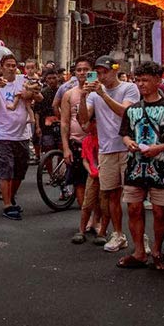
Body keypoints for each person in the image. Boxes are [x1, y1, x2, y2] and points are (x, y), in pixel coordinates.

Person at [116, 61, 164, 270]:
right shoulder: (133, 109)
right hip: (135, 166)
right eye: (138, 80)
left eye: (145, 80)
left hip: (163, 167)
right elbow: (125, 134)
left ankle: (157, 250)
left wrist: (160, 148)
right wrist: (129, 142)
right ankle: (139, 251)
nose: (141, 84)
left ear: (158, 80)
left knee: (159, 211)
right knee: (134, 208)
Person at [77, 55, 140, 251]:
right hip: (106, 149)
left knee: (132, 197)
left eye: (105, 72)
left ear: (115, 70)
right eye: (99, 73)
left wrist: (103, 95)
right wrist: (82, 96)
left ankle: (140, 237)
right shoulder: (94, 94)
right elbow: (84, 121)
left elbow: (126, 113)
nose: (102, 77)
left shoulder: (128, 88)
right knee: (111, 195)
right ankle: (118, 234)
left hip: (128, 147)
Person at [0, 52, 41, 220]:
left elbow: (39, 96)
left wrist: (30, 94)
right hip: (3, 136)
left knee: (19, 172)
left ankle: (10, 197)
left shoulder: (23, 80)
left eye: (14, 66)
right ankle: (7, 205)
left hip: (22, 136)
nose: (11, 68)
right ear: (2, 68)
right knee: (6, 171)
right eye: (8, 66)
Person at [62, 57, 96, 243]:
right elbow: (65, 122)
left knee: (98, 185)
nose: (82, 73)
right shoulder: (69, 94)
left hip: (96, 146)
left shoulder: (99, 92)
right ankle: (87, 218)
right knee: (79, 184)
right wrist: (66, 147)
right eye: (79, 70)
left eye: (86, 70)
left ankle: (97, 220)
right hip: (76, 144)